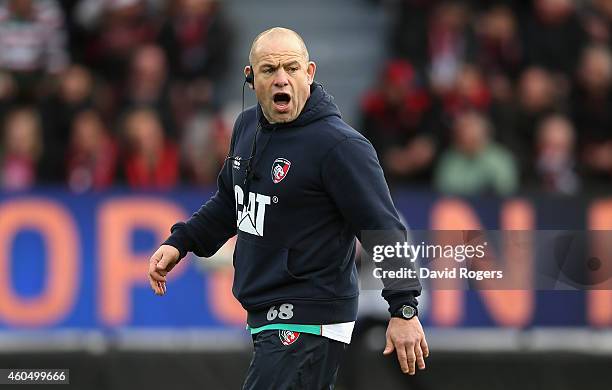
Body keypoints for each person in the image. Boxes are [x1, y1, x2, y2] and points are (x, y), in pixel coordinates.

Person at [147, 27, 428, 389]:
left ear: (309, 73)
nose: (282, 79)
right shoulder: (246, 127)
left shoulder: (339, 146)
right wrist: (181, 241)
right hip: (267, 314)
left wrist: (404, 309)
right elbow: (229, 203)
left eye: (291, 69)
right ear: (250, 78)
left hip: (309, 317)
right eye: (269, 70)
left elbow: (383, 229)